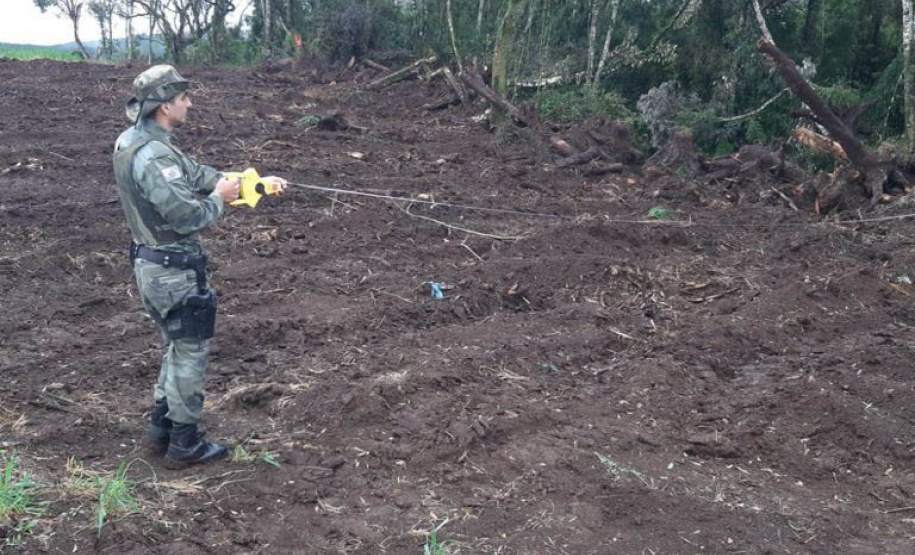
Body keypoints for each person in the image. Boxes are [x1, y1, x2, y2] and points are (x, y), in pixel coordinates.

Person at [112, 65, 286, 469]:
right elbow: (186, 216)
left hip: (155, 265)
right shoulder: (154, 155)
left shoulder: (139, 141)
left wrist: (251, 182)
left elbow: (197, 176)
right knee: (190, 353)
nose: (190, 103)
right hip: (172, 271)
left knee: (176, 348)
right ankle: (185, 445)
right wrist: (223, 199)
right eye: (183, 97)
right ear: (164, 105)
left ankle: (161, 430)